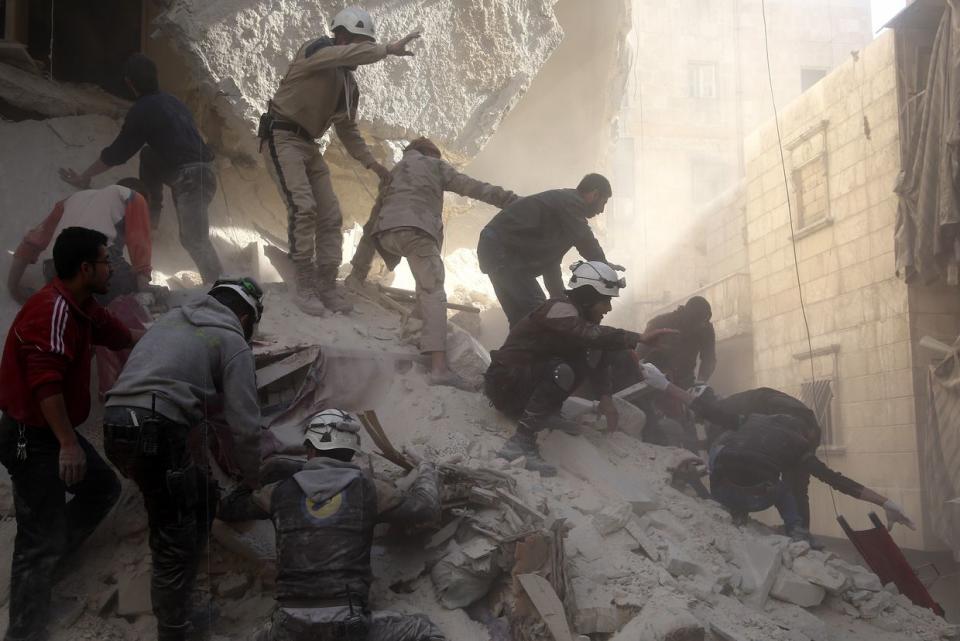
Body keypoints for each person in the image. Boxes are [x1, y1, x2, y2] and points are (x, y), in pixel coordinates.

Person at [102, 276, 265, 641]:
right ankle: (174, 630)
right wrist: (253, 479)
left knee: (203, 495)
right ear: (244, 318)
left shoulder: (170, 322)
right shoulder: (231, 339)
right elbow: (247, 428)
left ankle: (183, 604)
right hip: (154, 430)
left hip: (117, 427)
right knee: (172, 537)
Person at [0, 227, 141, 641]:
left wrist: (167, 338)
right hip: (30, 435)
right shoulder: (52, 311)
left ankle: (51, 564)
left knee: (101, 489)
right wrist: (67, 445)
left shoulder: (84, 305)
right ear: (85, 269)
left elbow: (120, 336)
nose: (111, 267)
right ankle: (24, 631)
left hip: (51, 429)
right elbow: (46, 386)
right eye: (105, 261)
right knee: (36, 536)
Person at [219, 409, 445, 641]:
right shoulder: (370, 489)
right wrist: (427, 470)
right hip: (348, 624)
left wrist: (263, 472)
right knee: (425, 631)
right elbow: (426, 508)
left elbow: (227, 509)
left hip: (289, 628)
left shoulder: (278, 491)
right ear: (350, 453)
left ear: (311, 450)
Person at [259, 6, 421, 315]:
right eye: (355, 41)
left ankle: (327, 282)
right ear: (341, 35)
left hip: (309, 144)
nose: (358, 50)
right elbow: (336, 56)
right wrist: (386, 49)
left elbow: (347, 129)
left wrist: (372, 164)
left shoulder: (349, 86)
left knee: (332, 215)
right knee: (303, 206)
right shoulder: (317, 49)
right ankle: (303, 282)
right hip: (283, 136)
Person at [640, 365, 916, 541]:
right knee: (797, 486)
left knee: (724, 447)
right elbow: (835, 479)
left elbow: (712, 412)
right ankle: (800, 535)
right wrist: (885, 502)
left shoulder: (749, 416)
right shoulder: (795, 438)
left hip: (737, 465)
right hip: (775, 465)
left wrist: (665, 386)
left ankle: (747, 516)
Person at [348, 137, 518, 390]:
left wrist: (357, 273)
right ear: (431, 154)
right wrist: (509, 200)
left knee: (422, 285)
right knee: (433, 291)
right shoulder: (434, 165)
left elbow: (371, 222)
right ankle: (439, 368)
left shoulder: (395, 172)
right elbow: (471, 187)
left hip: (386, 236)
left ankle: (414, 332)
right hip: (417, 232)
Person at [484, 261, 674, 476]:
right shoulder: (559, 309)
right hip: (505, 385)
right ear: (589, 297)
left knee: (583, 358)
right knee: (562, 371)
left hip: (521, 387)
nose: (609, 308)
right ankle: (519, 442)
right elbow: (590, 334)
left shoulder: (578, 319)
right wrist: (639, 338)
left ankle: (545, 415)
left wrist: (605, 396)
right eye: (605, 301)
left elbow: (597, 351)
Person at [60, 53, 223, 283]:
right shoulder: (172, 101)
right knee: (148, 155)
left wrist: (84, 176)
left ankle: (221, 287)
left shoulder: (143, 109)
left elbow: (118, 153)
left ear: (129, 83)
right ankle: (151, 216)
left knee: (194, 239)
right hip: (203, 172)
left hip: (191, 178)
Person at [477, 173, 622, 327]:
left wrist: (559, 297)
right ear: (595, 194)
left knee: (521, 319)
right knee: (537, 310)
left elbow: (550, 263)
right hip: (502, 252)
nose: (602, 210)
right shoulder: (571, 203)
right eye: (604, 202)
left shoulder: (561, 211)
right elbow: (585, 240)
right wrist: (604, 267)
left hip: (495, 251)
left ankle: (516, 350)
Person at [8, 178, 152, 305]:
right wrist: (144, 291)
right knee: (140, 290)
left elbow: (34, 240)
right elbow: (140, 245)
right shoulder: (134, 197)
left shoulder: (73, 198)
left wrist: (14, 287)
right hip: (94, 268)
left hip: (54, 270)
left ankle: (68, 301)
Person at [642, 295, 716, 389]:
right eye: (697, 322)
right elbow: (639, 353)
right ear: (688, 317)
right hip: (654, 381)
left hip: (685, 381)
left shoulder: (705, 328)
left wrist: (700, 382)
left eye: (704, 322)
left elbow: (709, 359)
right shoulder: (660, 323)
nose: (701, 326)